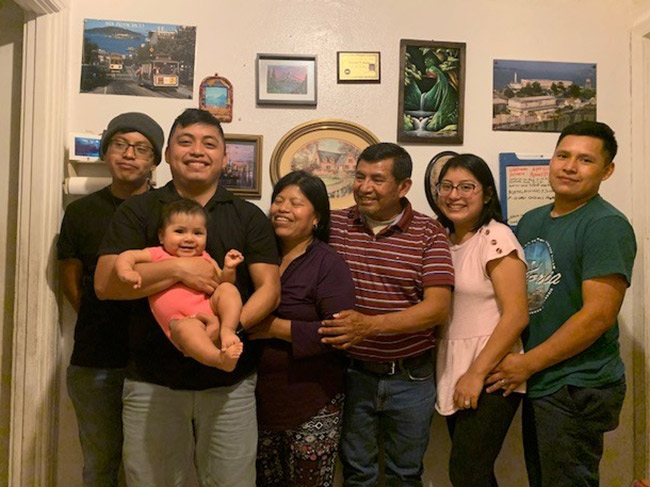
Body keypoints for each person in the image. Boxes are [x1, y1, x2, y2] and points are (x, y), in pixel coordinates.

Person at [94, 108, 281, 486]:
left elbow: (270, 289)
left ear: (225, 157)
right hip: (152, 382)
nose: (197, 151)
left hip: (230, 385)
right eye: (185, 141)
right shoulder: (138, 210)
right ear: (167, 155)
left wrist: (225, 331)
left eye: (209, 143)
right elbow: (105, 284)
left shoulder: (248, 217)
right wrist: (179, 270)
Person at [486, 121, 637, 487]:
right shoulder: (534, 220)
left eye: (585, 160)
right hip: (542, 379)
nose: (569, 167)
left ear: (607, 170)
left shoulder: (606, 225)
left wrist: (526, 364)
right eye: (563, 155)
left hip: (577, 383)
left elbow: (598, 316)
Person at [319, 142, 454, 486]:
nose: (364, 187)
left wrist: (369, 326)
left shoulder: (429, 233)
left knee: (404, 475)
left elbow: (437, 309)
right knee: (356, 474)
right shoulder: (334, 225)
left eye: (377, 179)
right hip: (351, 375)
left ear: (403, 186)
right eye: (360, 176)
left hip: (411, 377)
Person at [57, 112, 164, 487]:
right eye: (120, 144)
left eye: (141, 148)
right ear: (106, 152)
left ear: (154, 160)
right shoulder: (81, 212)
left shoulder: (167, 210)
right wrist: (91, 311)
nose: (129, 154)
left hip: (155, 360)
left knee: (149, 468)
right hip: (95, 358)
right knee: (100, 465)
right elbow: (69, 271)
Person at [248, 171, 356, 487]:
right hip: (257, 402)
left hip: (311, 401)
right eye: (278, 200)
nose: (283, 208)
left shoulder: (327, 263)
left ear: (316, 218)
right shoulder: (258, 256)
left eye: (296, 202)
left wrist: (276, 328)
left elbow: (340, 333)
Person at [431, 154, 528, 486]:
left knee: (467, 471)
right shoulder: (443, 240)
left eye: (466, 187)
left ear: (487, 194)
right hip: (451, 364)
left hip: (490, 370)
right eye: (447, 186)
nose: (454, 195)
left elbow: (516, 316)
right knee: (470, 472)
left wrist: (476, 373)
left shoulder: (496, 238)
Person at [114, 198, 244, 371]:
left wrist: (228, 269)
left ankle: (228, 331)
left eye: (198, 233)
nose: (189, 239)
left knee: (229, 289)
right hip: (181, 319)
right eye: (180, 231)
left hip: (210, 308)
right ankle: (219, 359)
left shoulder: (205, 257)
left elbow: (223, 282)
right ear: (161, 236)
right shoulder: (157, 254)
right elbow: (127, 255)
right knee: (185, 330)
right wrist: (126, 271)